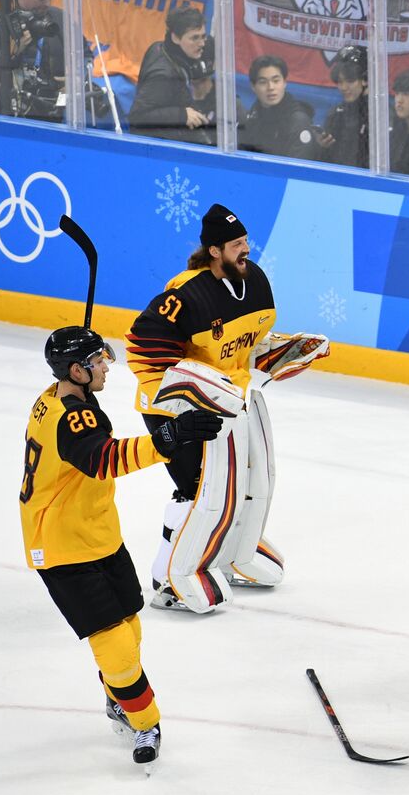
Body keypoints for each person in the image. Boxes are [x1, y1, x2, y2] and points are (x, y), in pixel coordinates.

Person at [21, 324, 221, 766]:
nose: (106, 366)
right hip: (62, 546)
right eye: (97, 361)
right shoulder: (73, 417)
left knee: (129, 628)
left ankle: (120, 698)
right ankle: (145, 721)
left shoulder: (59, 397)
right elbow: (103, 460)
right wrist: (169, 437)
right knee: (115, 647)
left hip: (98, 534)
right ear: (76, 371)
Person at [125, 204, 330, 614]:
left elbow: (247, 348)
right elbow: (142, 350)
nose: (246, 249)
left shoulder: (254, 282)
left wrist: (288, 351)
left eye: (246, 241)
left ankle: (230, 552)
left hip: (231, 402)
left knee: (252, 481)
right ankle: (168, 579)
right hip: (177, 411)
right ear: (215, 250)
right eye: (237, 244)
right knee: (199, 489)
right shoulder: (186, 294)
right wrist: (193, 394)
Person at [128, 6, 214, 144]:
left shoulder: (160, 47)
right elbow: (137, 117)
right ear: (175, 38)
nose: (202, 44)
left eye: (203, 37)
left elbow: (177, 93)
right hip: (155, 147)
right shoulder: (163, 76)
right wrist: (181, 115)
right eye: (194, 38)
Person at [239, 55, 321, 160]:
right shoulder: (253, 116)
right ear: (253, 86)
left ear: (285, 82)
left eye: (276, 81)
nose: (271, 87)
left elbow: (298, 166)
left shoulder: (297, 121)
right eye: (263, 82)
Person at [317, 45, 370, 168]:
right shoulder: (335, 114)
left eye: (350, 81)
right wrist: (322, 147)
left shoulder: (381, 118)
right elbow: (324, 163)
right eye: (340, 82)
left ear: (365, 79)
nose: (344, 87)